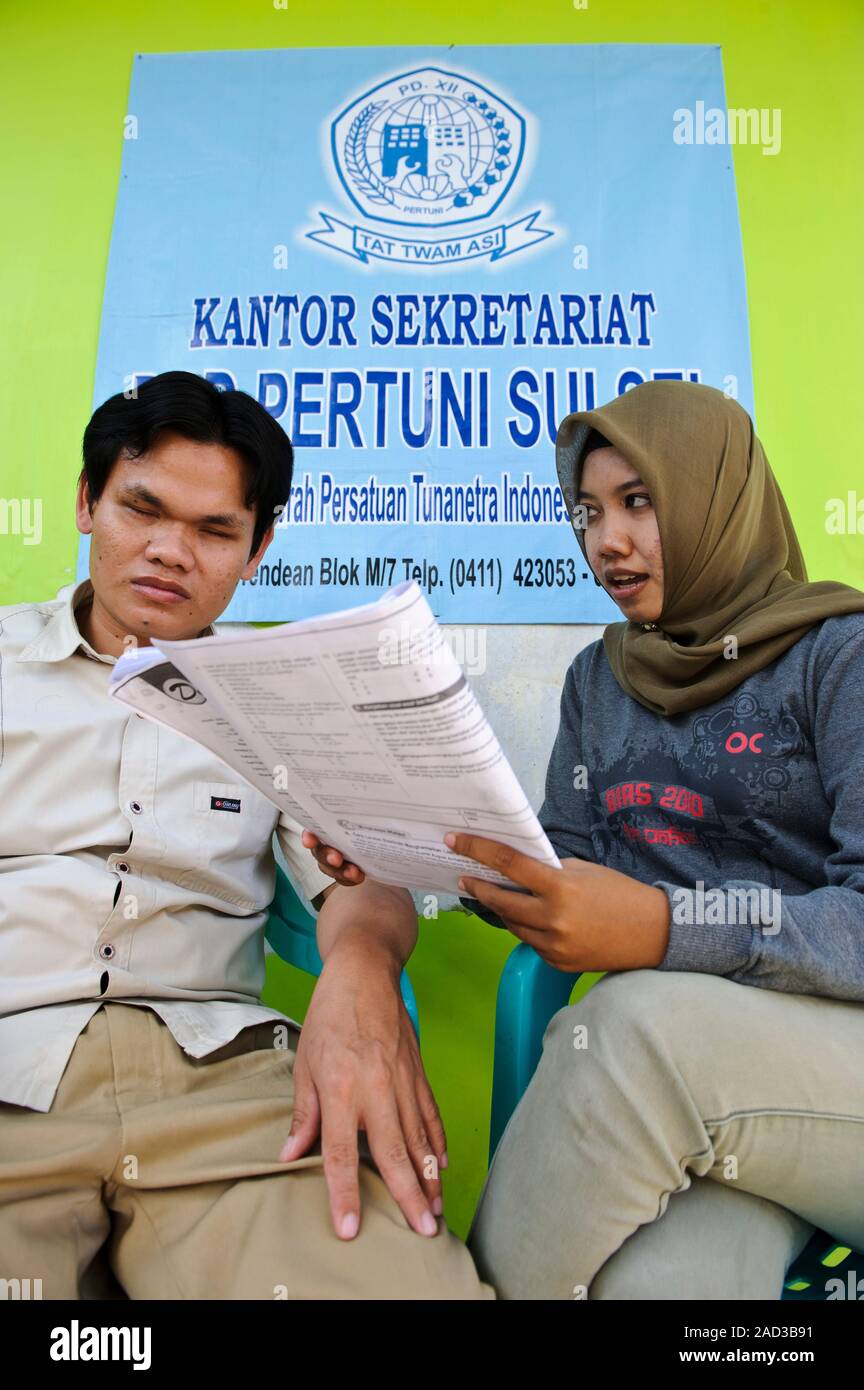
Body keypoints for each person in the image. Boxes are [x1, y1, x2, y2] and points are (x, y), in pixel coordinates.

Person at [0, 370, 494, 1300]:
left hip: (220, 1087)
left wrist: (362, 971)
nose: (168, 551)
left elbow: (361, 881)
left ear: (257, 547)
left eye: (215, 530)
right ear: (83, 503)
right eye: (141, 510)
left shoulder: (286, 696)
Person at [442, 378, 864, 1299]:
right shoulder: (602, 678)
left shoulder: (841, 656)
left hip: (836, 1074)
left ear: (715, 500)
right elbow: (571, 865)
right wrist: (432, 850)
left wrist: (665, 931)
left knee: (630, 1026)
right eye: (588, 511)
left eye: (640, 503)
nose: (608, 541)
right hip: (710, 1103)